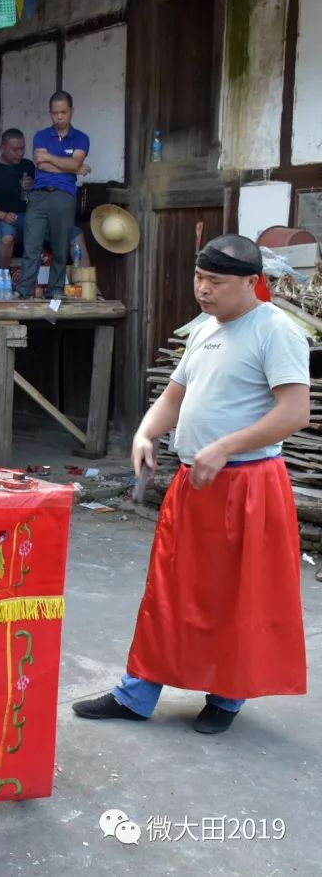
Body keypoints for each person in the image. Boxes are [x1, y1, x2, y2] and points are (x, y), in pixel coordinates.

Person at [73, 235, 308, 735]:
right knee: (168, 589)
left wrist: (226, 446)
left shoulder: (275, 331)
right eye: (199, 278)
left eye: (215, 282)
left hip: (247, 484)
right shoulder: (205, 327)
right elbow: (175, 397)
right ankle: (136, 694)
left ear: (252, 282)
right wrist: (144, 431)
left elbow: (295, 412)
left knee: (235, 595)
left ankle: (226, 697)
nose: (203, 290)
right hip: (193, 482)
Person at [16, 91, 89, 300]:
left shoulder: (81, 138)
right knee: (32, 244)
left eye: (63, 112)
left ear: (71, 112)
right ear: (50, 113)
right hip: (39, 195)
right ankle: (24, 291)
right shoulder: (41, 135)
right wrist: (73, 168)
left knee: (60, 246)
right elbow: (42, 165)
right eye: (55, 113)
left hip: (64, 195)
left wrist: (52, 158)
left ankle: (55, 290)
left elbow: (73, 163)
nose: (59, 117)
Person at [0, 128, 35, 269]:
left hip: (29, 216)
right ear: (3, 148)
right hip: (4, 218)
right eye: (15, 150)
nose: (20, 153)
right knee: (6, 238)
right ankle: (3, 277)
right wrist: (4, 216)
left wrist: (33, 186)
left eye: (22, 149)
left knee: (52, 230)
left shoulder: (28, 166)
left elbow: (41, 196)